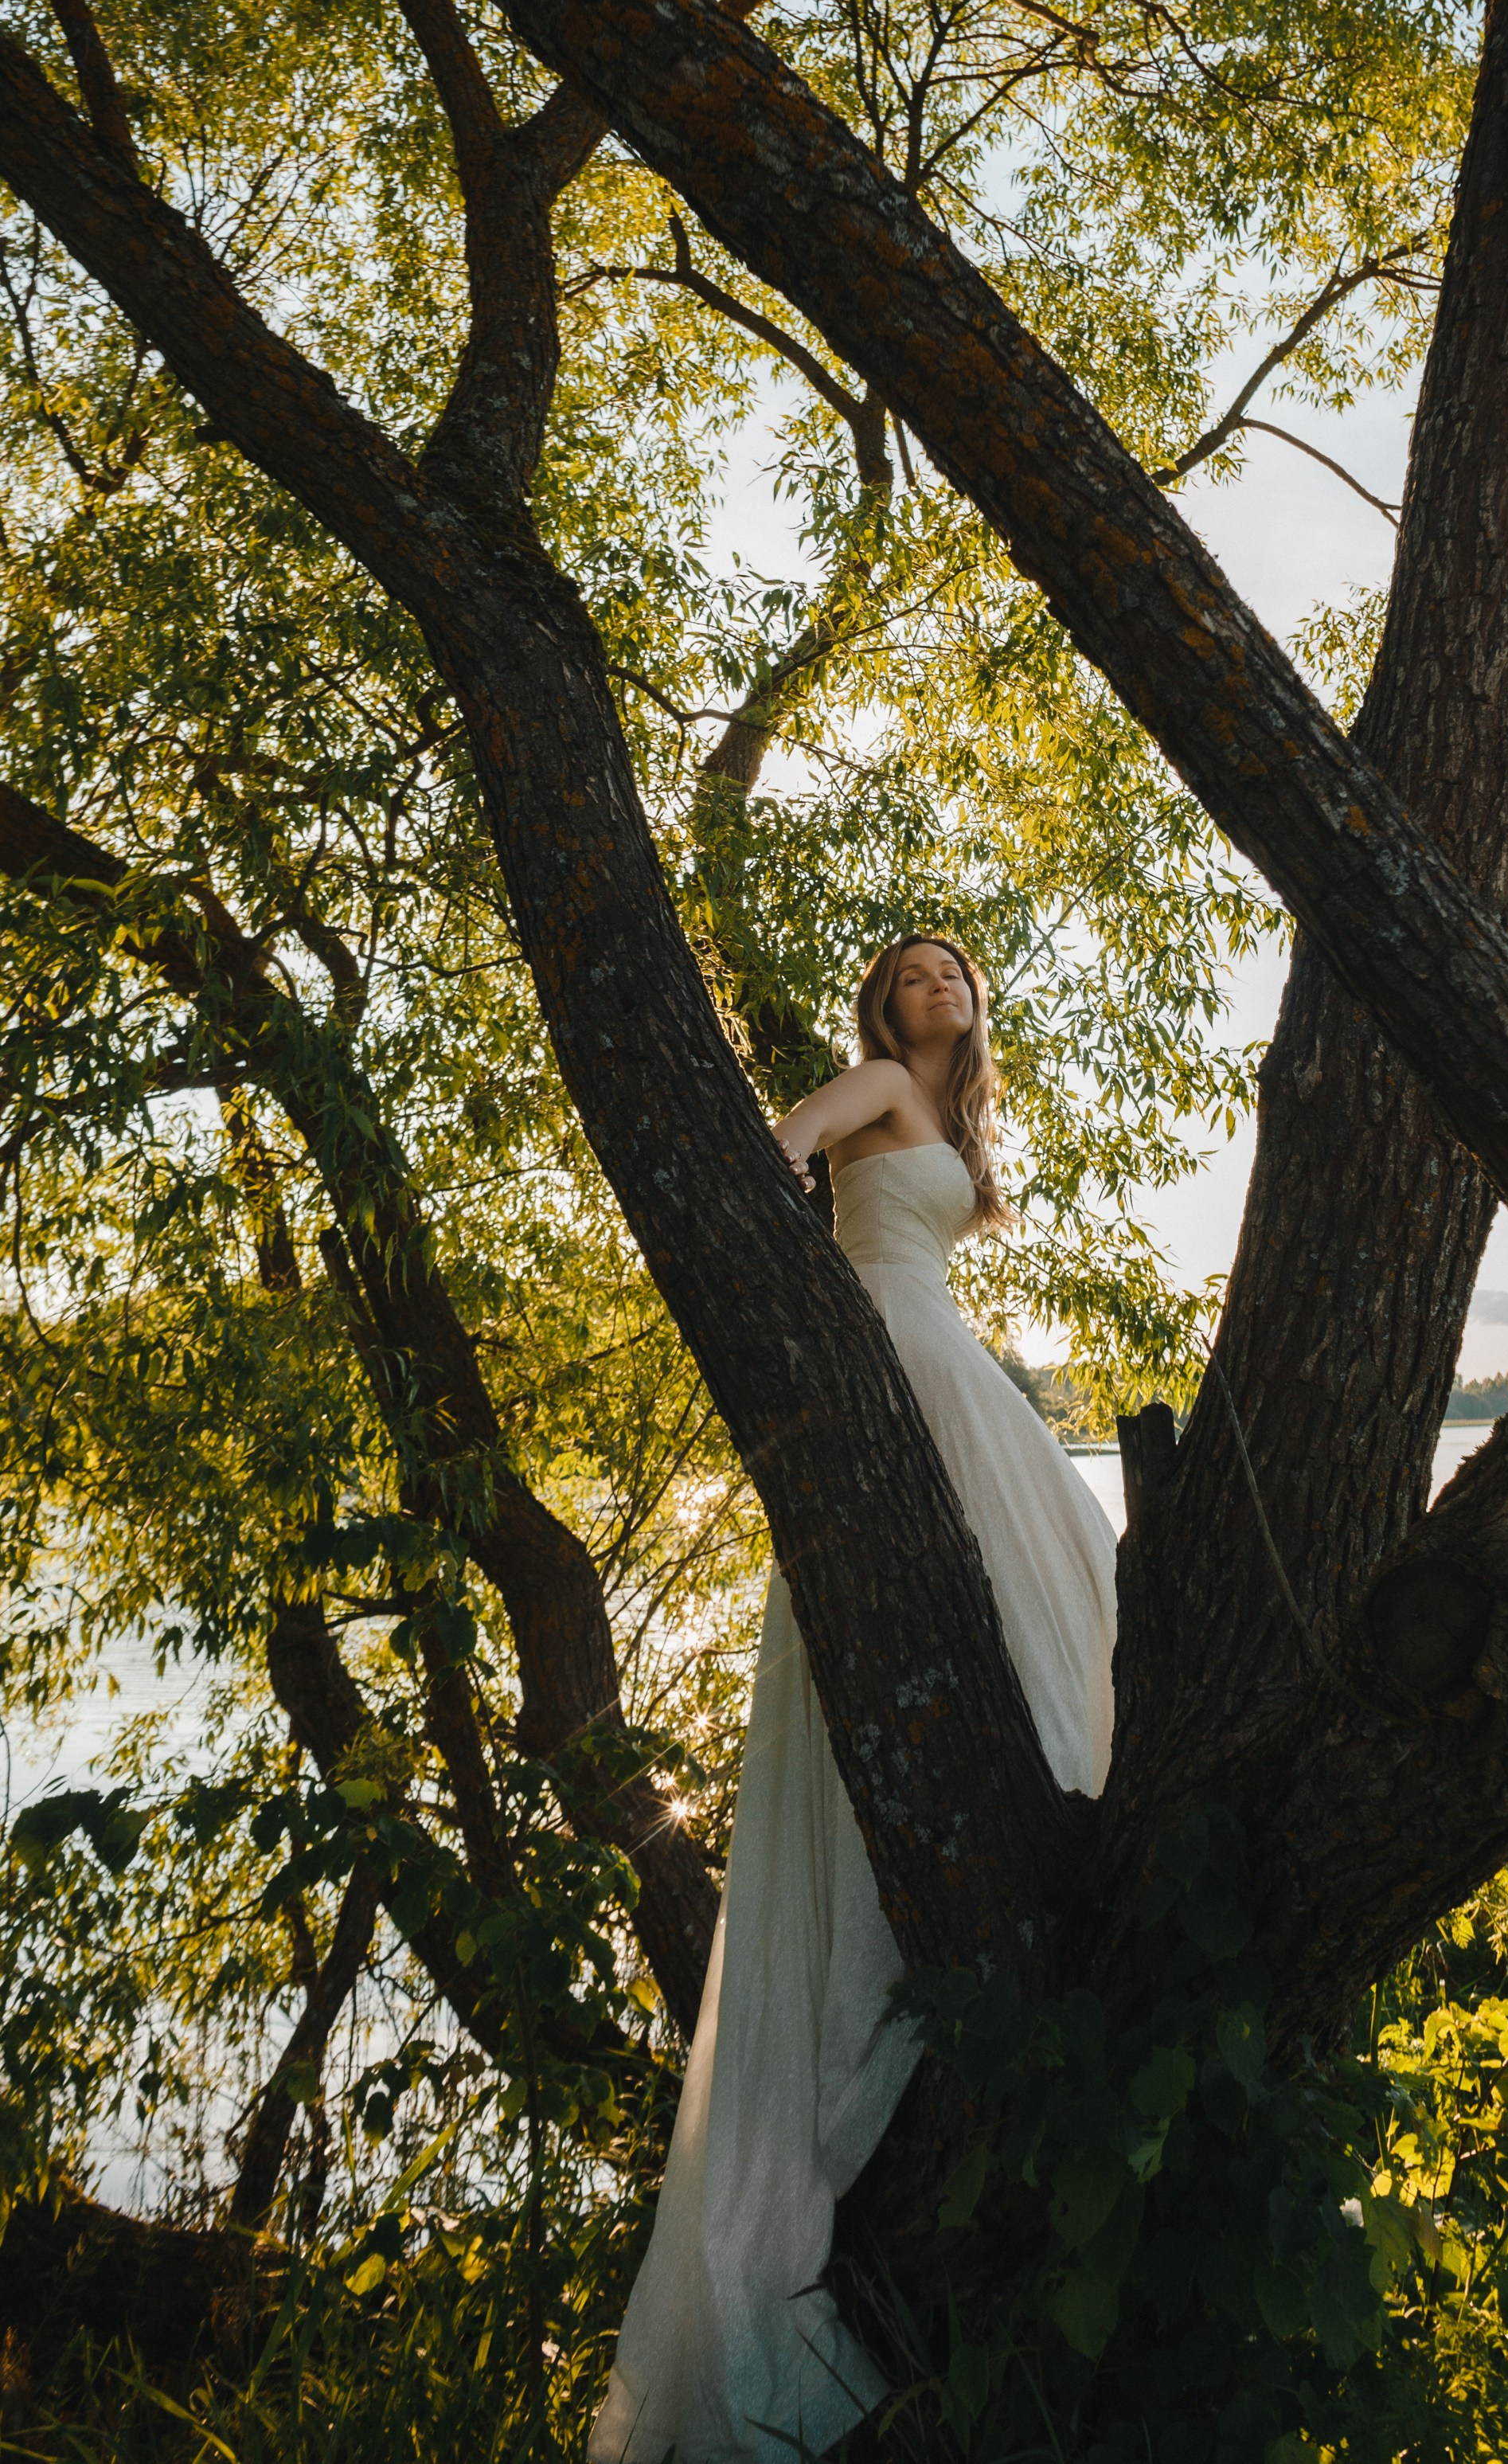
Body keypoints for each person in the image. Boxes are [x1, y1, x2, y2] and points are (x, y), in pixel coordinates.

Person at [588, 937, 1118, 2463]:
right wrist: (815, 1309)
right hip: (893, 1348)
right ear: (883, 1009)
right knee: (1049, 1570)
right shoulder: (886, 1084)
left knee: (1061, 1572)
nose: (938, 988)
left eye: (954, 973)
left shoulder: (961, 1120)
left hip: (942, 1348)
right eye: (913, 976)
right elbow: (779, 1148)